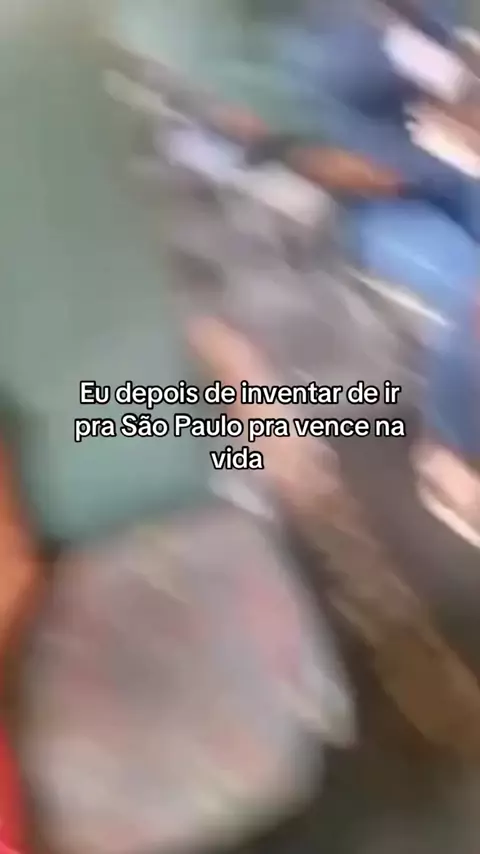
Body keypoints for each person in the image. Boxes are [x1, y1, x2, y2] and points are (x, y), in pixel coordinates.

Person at [212, 0, 480, 548]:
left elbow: (453, 85)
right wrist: (402, 172)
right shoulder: (260, 32)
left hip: (440, 170)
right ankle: (450, 452)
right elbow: (286, 145)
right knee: (470, 296)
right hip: (369, 199)